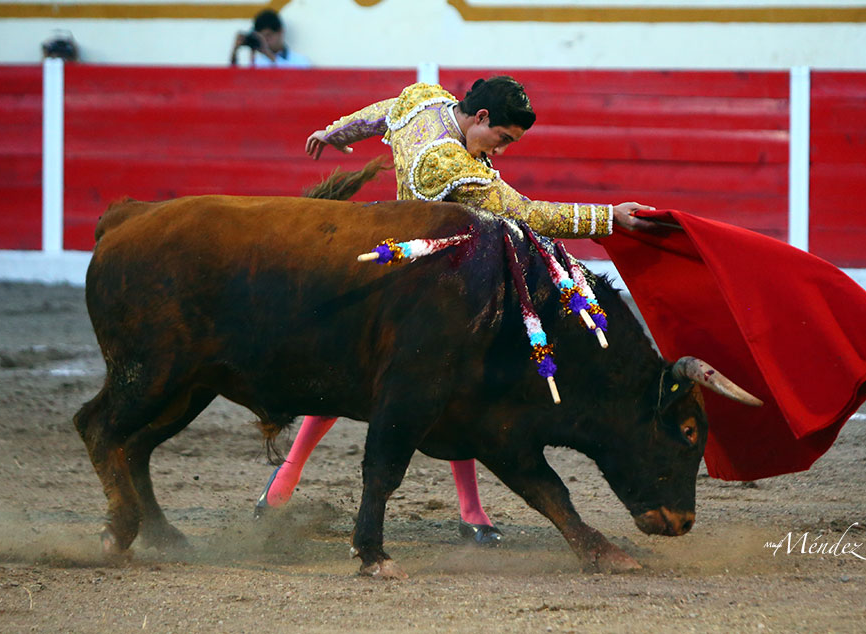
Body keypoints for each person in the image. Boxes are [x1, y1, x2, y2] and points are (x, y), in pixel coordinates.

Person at [255, 76, 655, 545]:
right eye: (501, 138)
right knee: (452, 383)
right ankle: (470, 513)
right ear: (481, 117)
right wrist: (608, 216)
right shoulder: (449, 164)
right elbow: (526, 213)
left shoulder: (425, 98)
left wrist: (334, 132)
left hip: (387, 257)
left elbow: (383, 112)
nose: (500, 151)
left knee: (350, 379)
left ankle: (284, 483)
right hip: (430, 283)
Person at [229, 9, 311, 68]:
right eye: (261, 37)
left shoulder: (300, 61)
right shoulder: (256, 62)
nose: (264, 40)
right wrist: (234, 53)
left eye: (268, 35)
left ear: (280, 31)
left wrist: (269, 55)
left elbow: (292, 78)